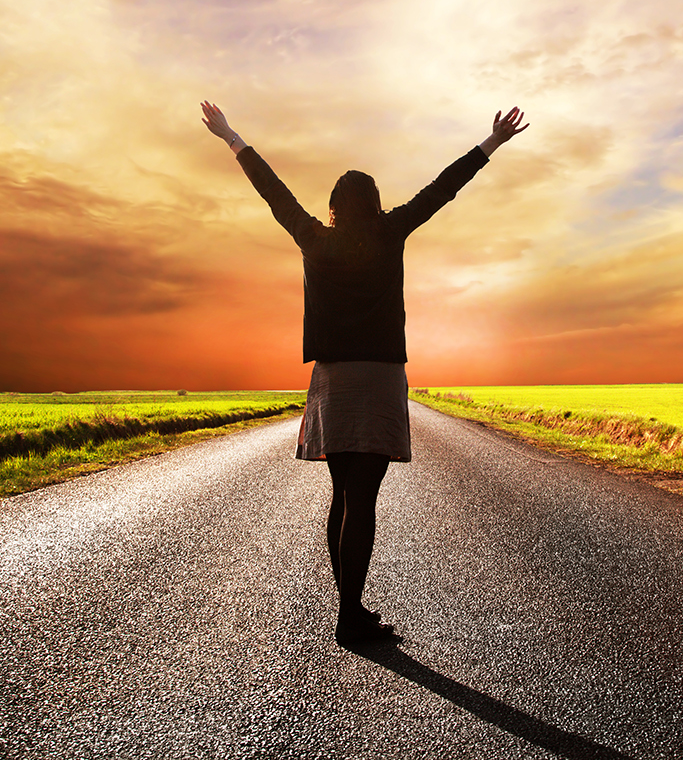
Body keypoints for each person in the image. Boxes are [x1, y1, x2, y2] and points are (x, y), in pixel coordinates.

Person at [200, 101, 528, 644]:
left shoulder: (313, 237)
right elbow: (441, 189)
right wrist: (491, 143)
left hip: (332, 378)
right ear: (374, 205)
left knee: (341, 495)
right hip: (377, 377)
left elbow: (272, 190)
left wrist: (230, 135)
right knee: (363, 499)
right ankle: (350, 616)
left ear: (332, 207)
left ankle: (349, 607)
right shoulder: (388, 232)